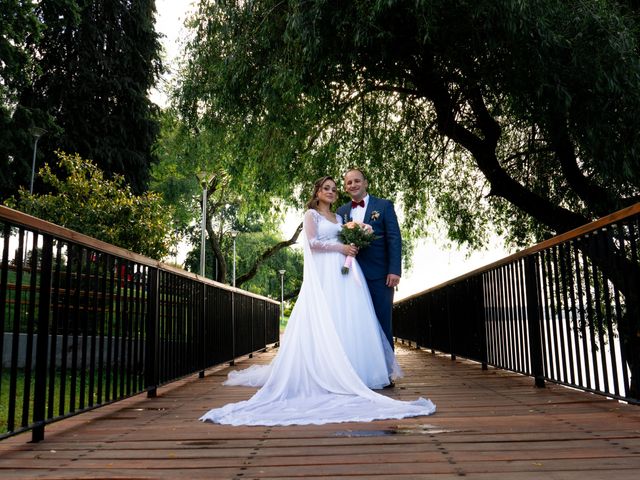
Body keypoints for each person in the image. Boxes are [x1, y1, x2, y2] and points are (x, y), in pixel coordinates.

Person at [200, 176, 435, 426]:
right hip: (325, 272)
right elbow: (311, 243)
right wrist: (341, 249)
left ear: (363, 183)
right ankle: (327, 371)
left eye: (335, 189)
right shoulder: (311, 215)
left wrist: (357, 248)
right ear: (318, 192)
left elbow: (390, 239)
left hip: (345, 275)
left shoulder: (343, 217)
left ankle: (360, 371)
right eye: (328, 188)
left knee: (348, 321)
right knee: (327, 320)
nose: (333, 192)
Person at [336, 168, 401, 357]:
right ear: (345, 187)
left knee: (382, 322)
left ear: (365, 183)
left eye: (357, 181)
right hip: (351, 277)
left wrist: (394, 270)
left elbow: (394, 239)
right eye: (349, 182)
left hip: (379, 276)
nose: (353, 185)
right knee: (356, 325)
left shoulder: (384, 206)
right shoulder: (342, 212)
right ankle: (362, 371)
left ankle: (387, 370)